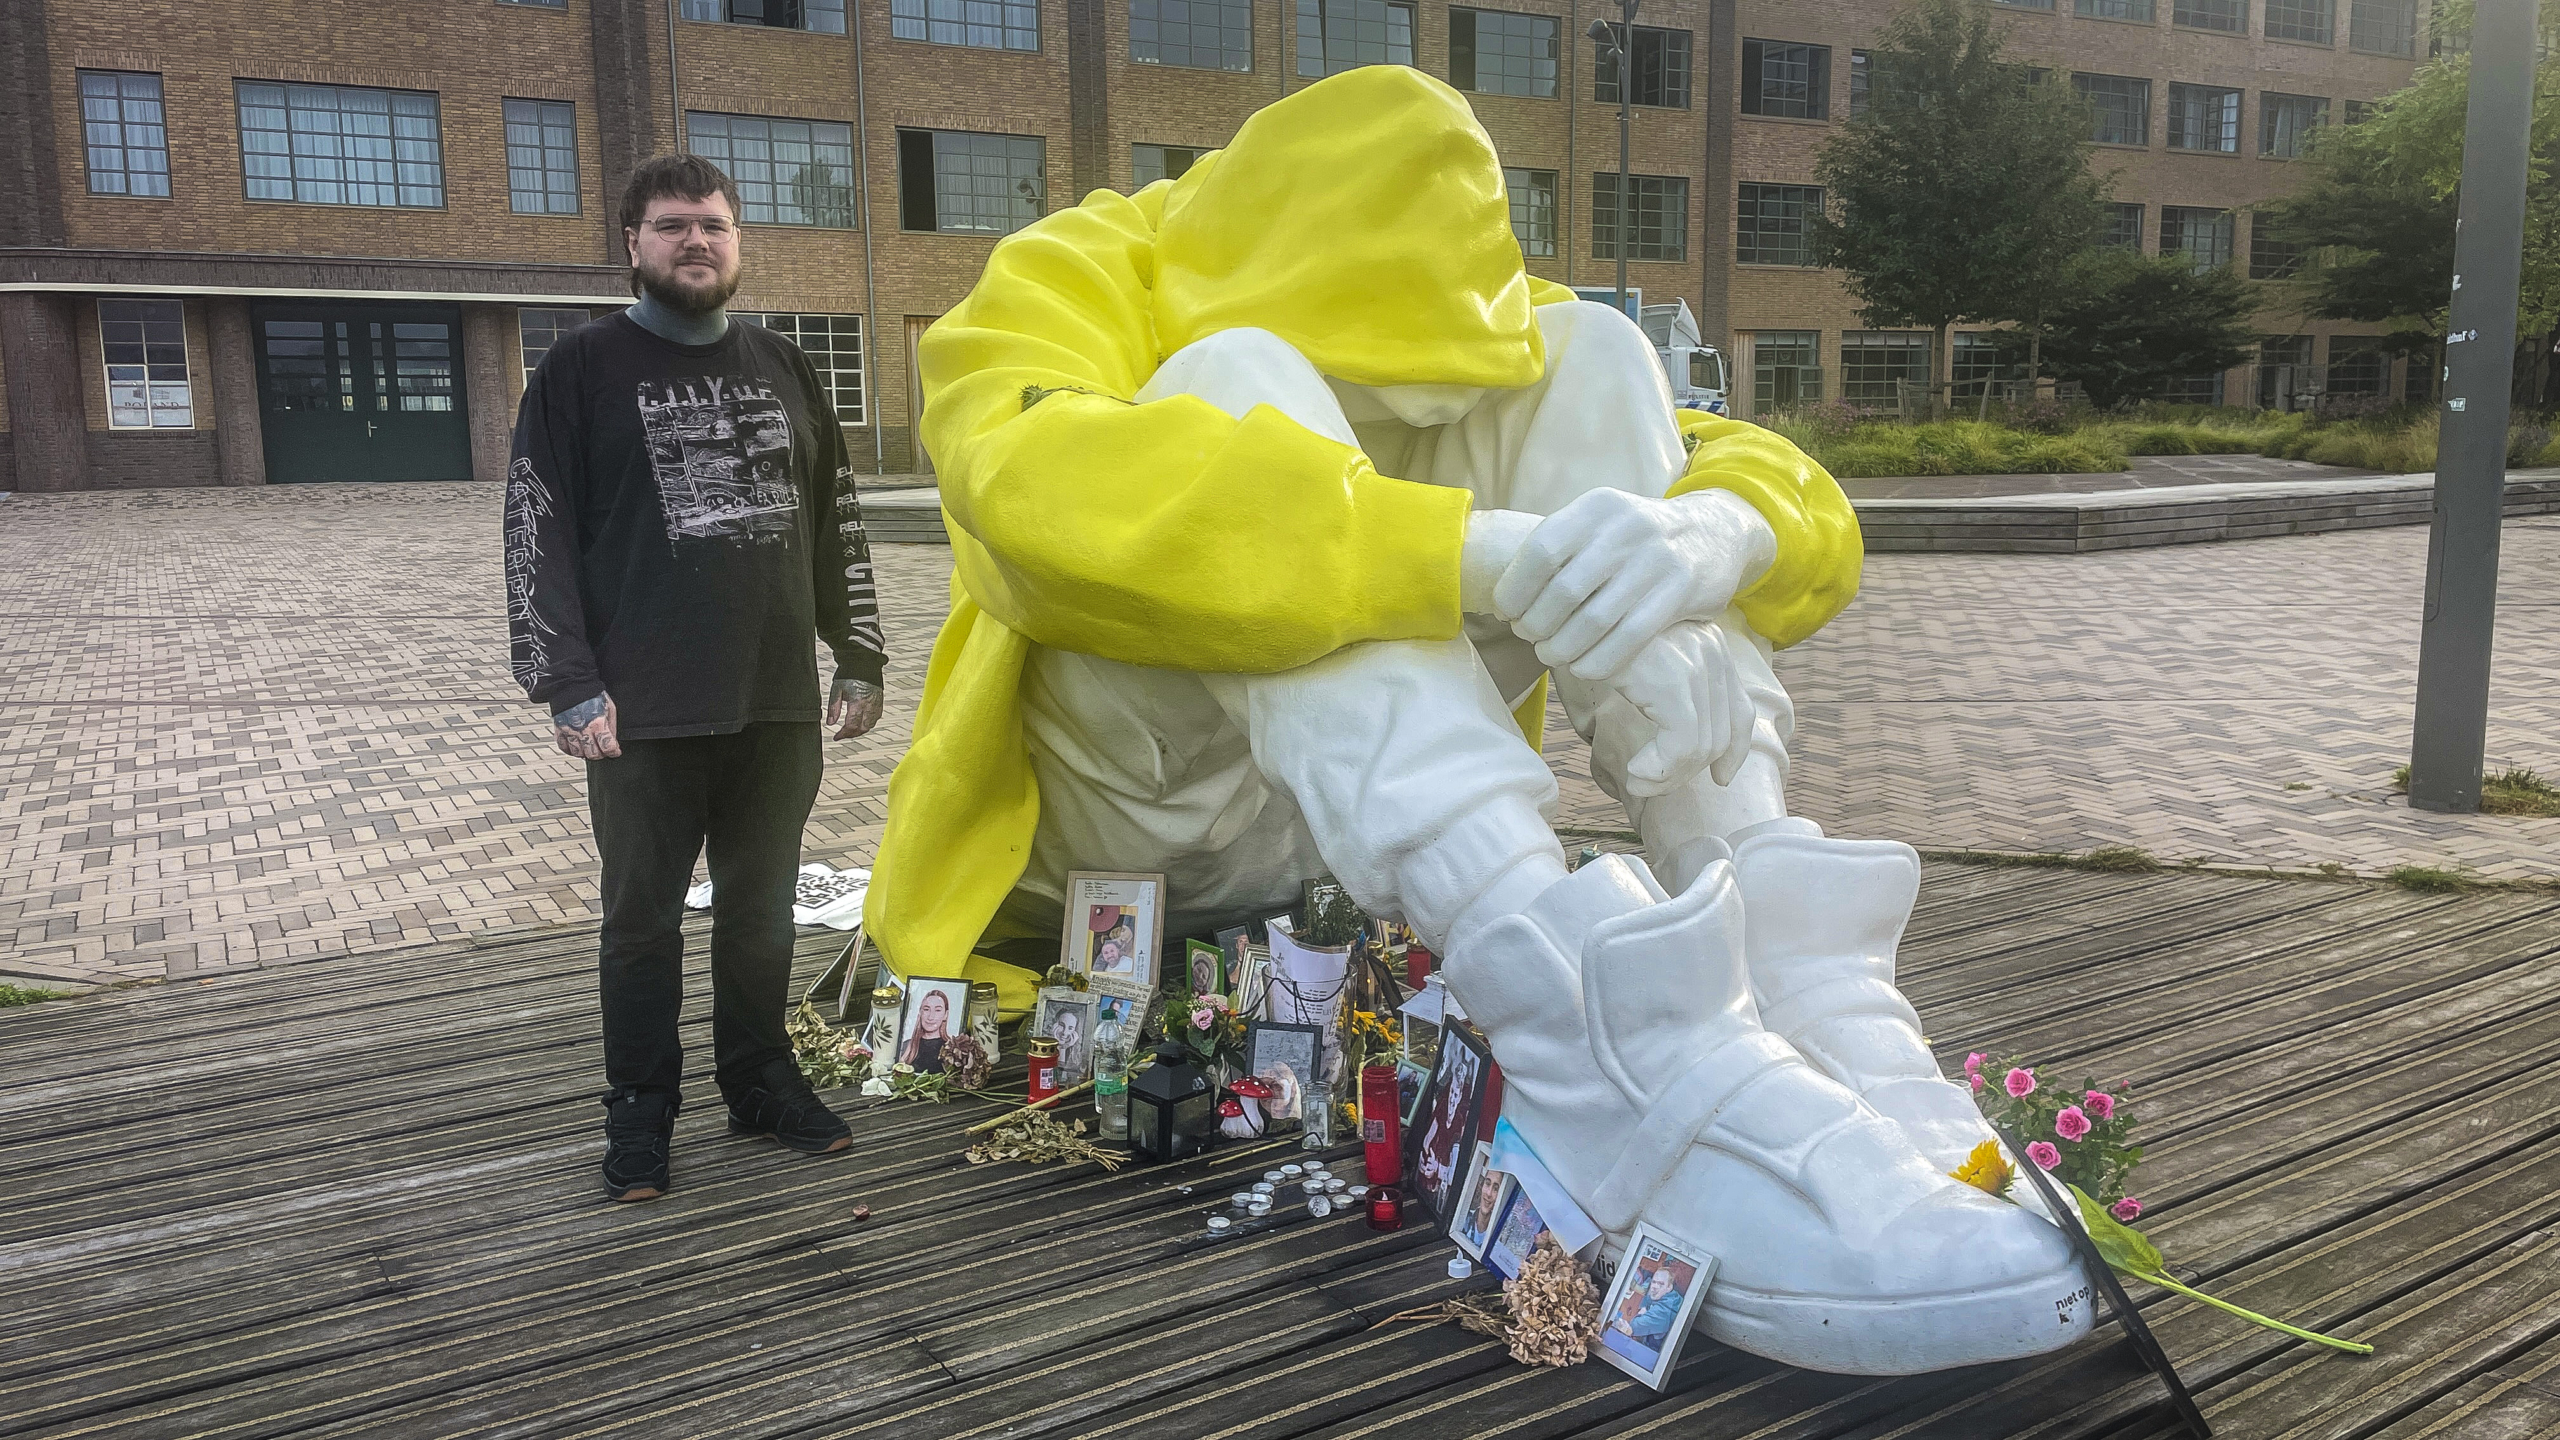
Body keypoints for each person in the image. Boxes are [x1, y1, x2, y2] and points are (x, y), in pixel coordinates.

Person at [862, 68, 2086, 1372]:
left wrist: (1705, 531)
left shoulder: (1473, 300)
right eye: (1385, 402)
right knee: (1233, 384)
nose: (1400, 435)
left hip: (1328, 851)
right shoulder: (1084, 271)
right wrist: (1471, 556)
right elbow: (1023, 497)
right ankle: (1587, 1043)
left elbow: (1784, 503)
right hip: (1112, 829)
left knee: (1599, 357)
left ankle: (1784, 965)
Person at [505, 153, 888, 1204]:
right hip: (641, 711)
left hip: (771, 702)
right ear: (632, 243)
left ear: (735, 241)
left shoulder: (785, 364)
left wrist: (857, 645)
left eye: (713, 225)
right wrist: (565, 681)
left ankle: (759, 1080)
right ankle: (640, 1111)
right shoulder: (579, 370)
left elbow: (832, 516)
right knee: (641, 922)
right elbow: (534, 531)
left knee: (761, 910)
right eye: (672, 226)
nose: (696, 243)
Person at [900, 988, 955, 1069]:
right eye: (926, 1009)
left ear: (945, 1015)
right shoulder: (907, 1046)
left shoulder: (951, 1048)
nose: (931, 1017)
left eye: (937, 1010)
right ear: (920, 1012)